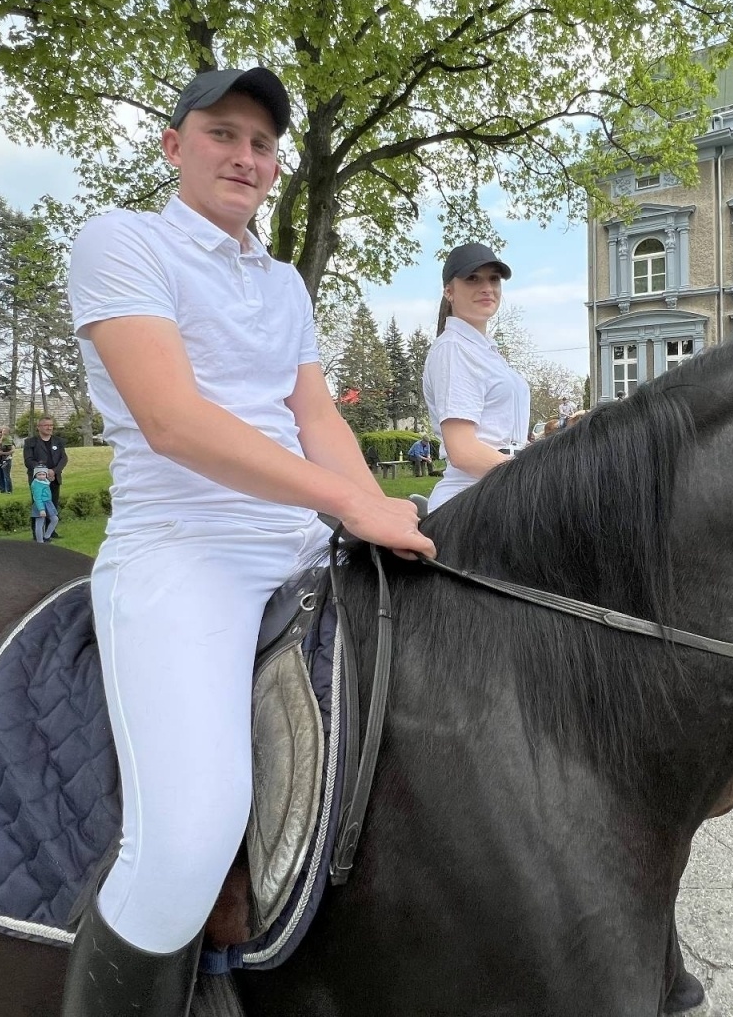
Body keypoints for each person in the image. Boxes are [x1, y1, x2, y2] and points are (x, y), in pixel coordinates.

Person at [62, 65, 433, 1014]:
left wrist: (379, 510)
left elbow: (316, 417)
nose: (247, 156)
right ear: (173, 145)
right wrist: (348, 506)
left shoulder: (282, 285)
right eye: (223, 133)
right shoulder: (121, 241)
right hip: (186, 547)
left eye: (263, 144)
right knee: (188, 837)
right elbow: (175, 420)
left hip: (302, 542)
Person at [421, 242, 530, 512]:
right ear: (449, 290)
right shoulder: (454, 349)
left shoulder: (485, 351)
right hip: (472, 502)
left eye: (494, 279)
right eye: (473, 278)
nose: (487, 287)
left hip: (501, 490)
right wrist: (533, 477)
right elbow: (463, 450)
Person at [23, 415, 69, 511]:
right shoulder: (30, 442)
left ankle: (51, 526)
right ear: (38, 427)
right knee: (39, 508)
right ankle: (38, 526)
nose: (49, 427)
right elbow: (28, 461)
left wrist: (54, 471)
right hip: (38, 480)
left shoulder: (58, 441)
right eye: (46, 425)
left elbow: (63, 458)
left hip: (54, 478)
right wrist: (44, 471)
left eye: (51, 425)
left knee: (53, 508)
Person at [30, 466, 59, 542]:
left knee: (55, 519)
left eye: (43, 474)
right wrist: (41, 509)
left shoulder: (44, 481)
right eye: (39, 474)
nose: (42, 476)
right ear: (35, 475)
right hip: (40, 504)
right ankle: (40, 542)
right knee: (40, 523)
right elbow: (37, 498)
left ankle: (46, 537)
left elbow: (47, 481)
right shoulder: (36, 485)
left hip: (48, 503)